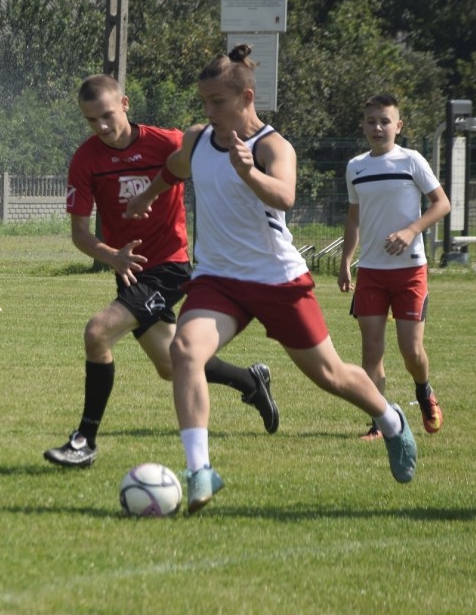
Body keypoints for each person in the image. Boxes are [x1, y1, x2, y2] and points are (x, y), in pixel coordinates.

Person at [126, 45, 417, 513]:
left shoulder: (271, 146)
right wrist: (148, 195)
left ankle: (391, 419)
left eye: (217, 101)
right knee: (184, 351)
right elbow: (176, 169)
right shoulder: (198, 138)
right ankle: (200, 471)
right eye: (203, 102)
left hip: (276, 279)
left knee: (331, 375)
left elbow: (283, 195)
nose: (207, 111)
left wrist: (248, 173)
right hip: (217, 279)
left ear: (245, 97)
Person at [43, 74, 279, 468]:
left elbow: (210, 143)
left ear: (125, 104)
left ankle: (84, 440)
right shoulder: (86, 160)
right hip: (129, 272)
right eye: (90, 120)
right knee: (171, 366)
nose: (101, 127)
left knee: (97, 332)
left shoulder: (166, 142)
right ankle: (251, 381)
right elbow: (80, 235)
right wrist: (112, 256)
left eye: (106, 115)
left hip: (169, 267)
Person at [338, 94, 450, 441]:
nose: (378, 127)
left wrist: (411, 230)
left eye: (385, 121)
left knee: (411, 350)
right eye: (371, 121)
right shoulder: (355, 166)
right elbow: (354, 218)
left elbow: (442, 204)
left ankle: (423, 391)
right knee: (371, 350)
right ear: (363, 126)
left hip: (410, 270)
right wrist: (345, 261)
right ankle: (380, 422)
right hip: (371, 271)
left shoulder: (411, 160)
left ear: (398, 126)